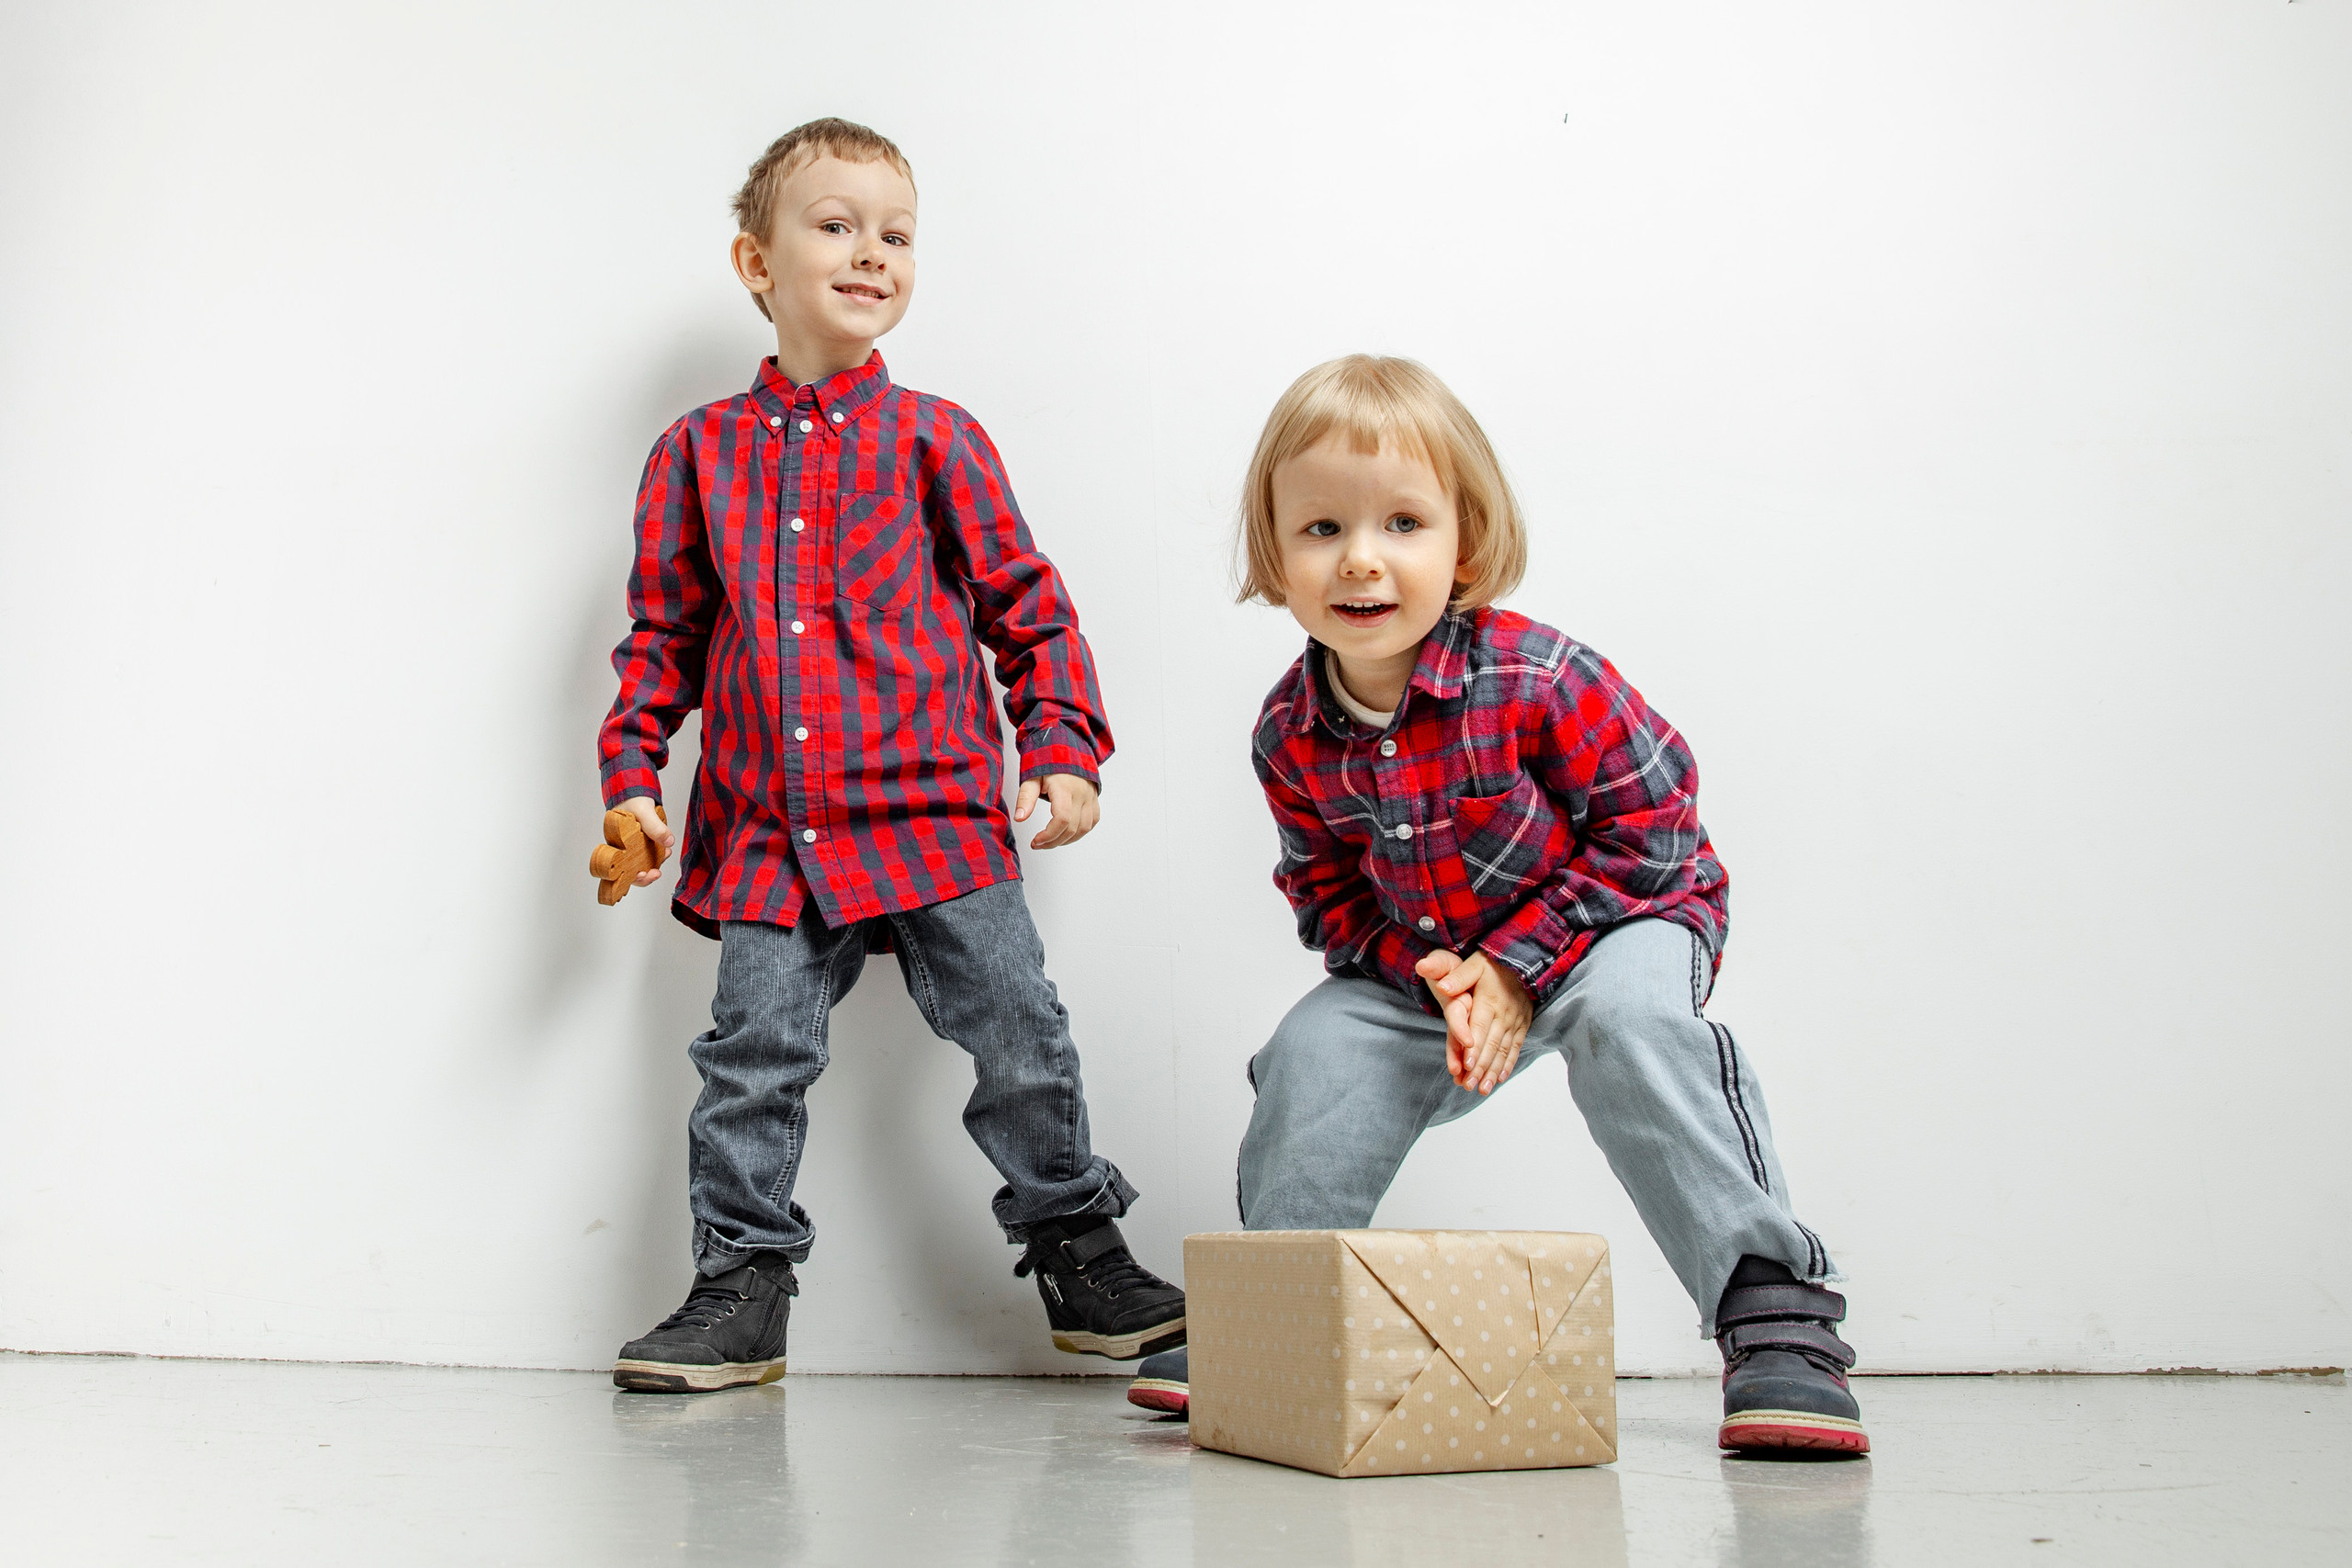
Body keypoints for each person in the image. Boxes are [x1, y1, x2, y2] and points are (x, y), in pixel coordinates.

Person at [1125, 355, 1865, 1455]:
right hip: (1440, 965)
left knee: (1631, 1026)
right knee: (1313, 1052)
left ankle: (1776, 1317)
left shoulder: (1539, 677)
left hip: (1618, 918)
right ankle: (1266, 1310)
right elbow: (1327, 901)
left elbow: (1655, 833)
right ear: (1275, 558)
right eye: (1321, 528)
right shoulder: (1287, 734)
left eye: (1402, 524)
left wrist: (1517, 967)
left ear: (1463, 545)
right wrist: (1433, 976)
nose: (1360, 558)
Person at [597, 118, 1182, 1393]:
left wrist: (1064, 746)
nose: (873, 252)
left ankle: (1081, 1251)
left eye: (898, 235)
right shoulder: (696, 452)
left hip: (935, 813)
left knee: (1020, 1029)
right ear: (757, 262)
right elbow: (663, 636)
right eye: (837, 225)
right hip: (769, 827)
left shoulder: (937, 437)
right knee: (751, 1058)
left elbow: (1028, 606)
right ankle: (740, 1284)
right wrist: (633, 780)